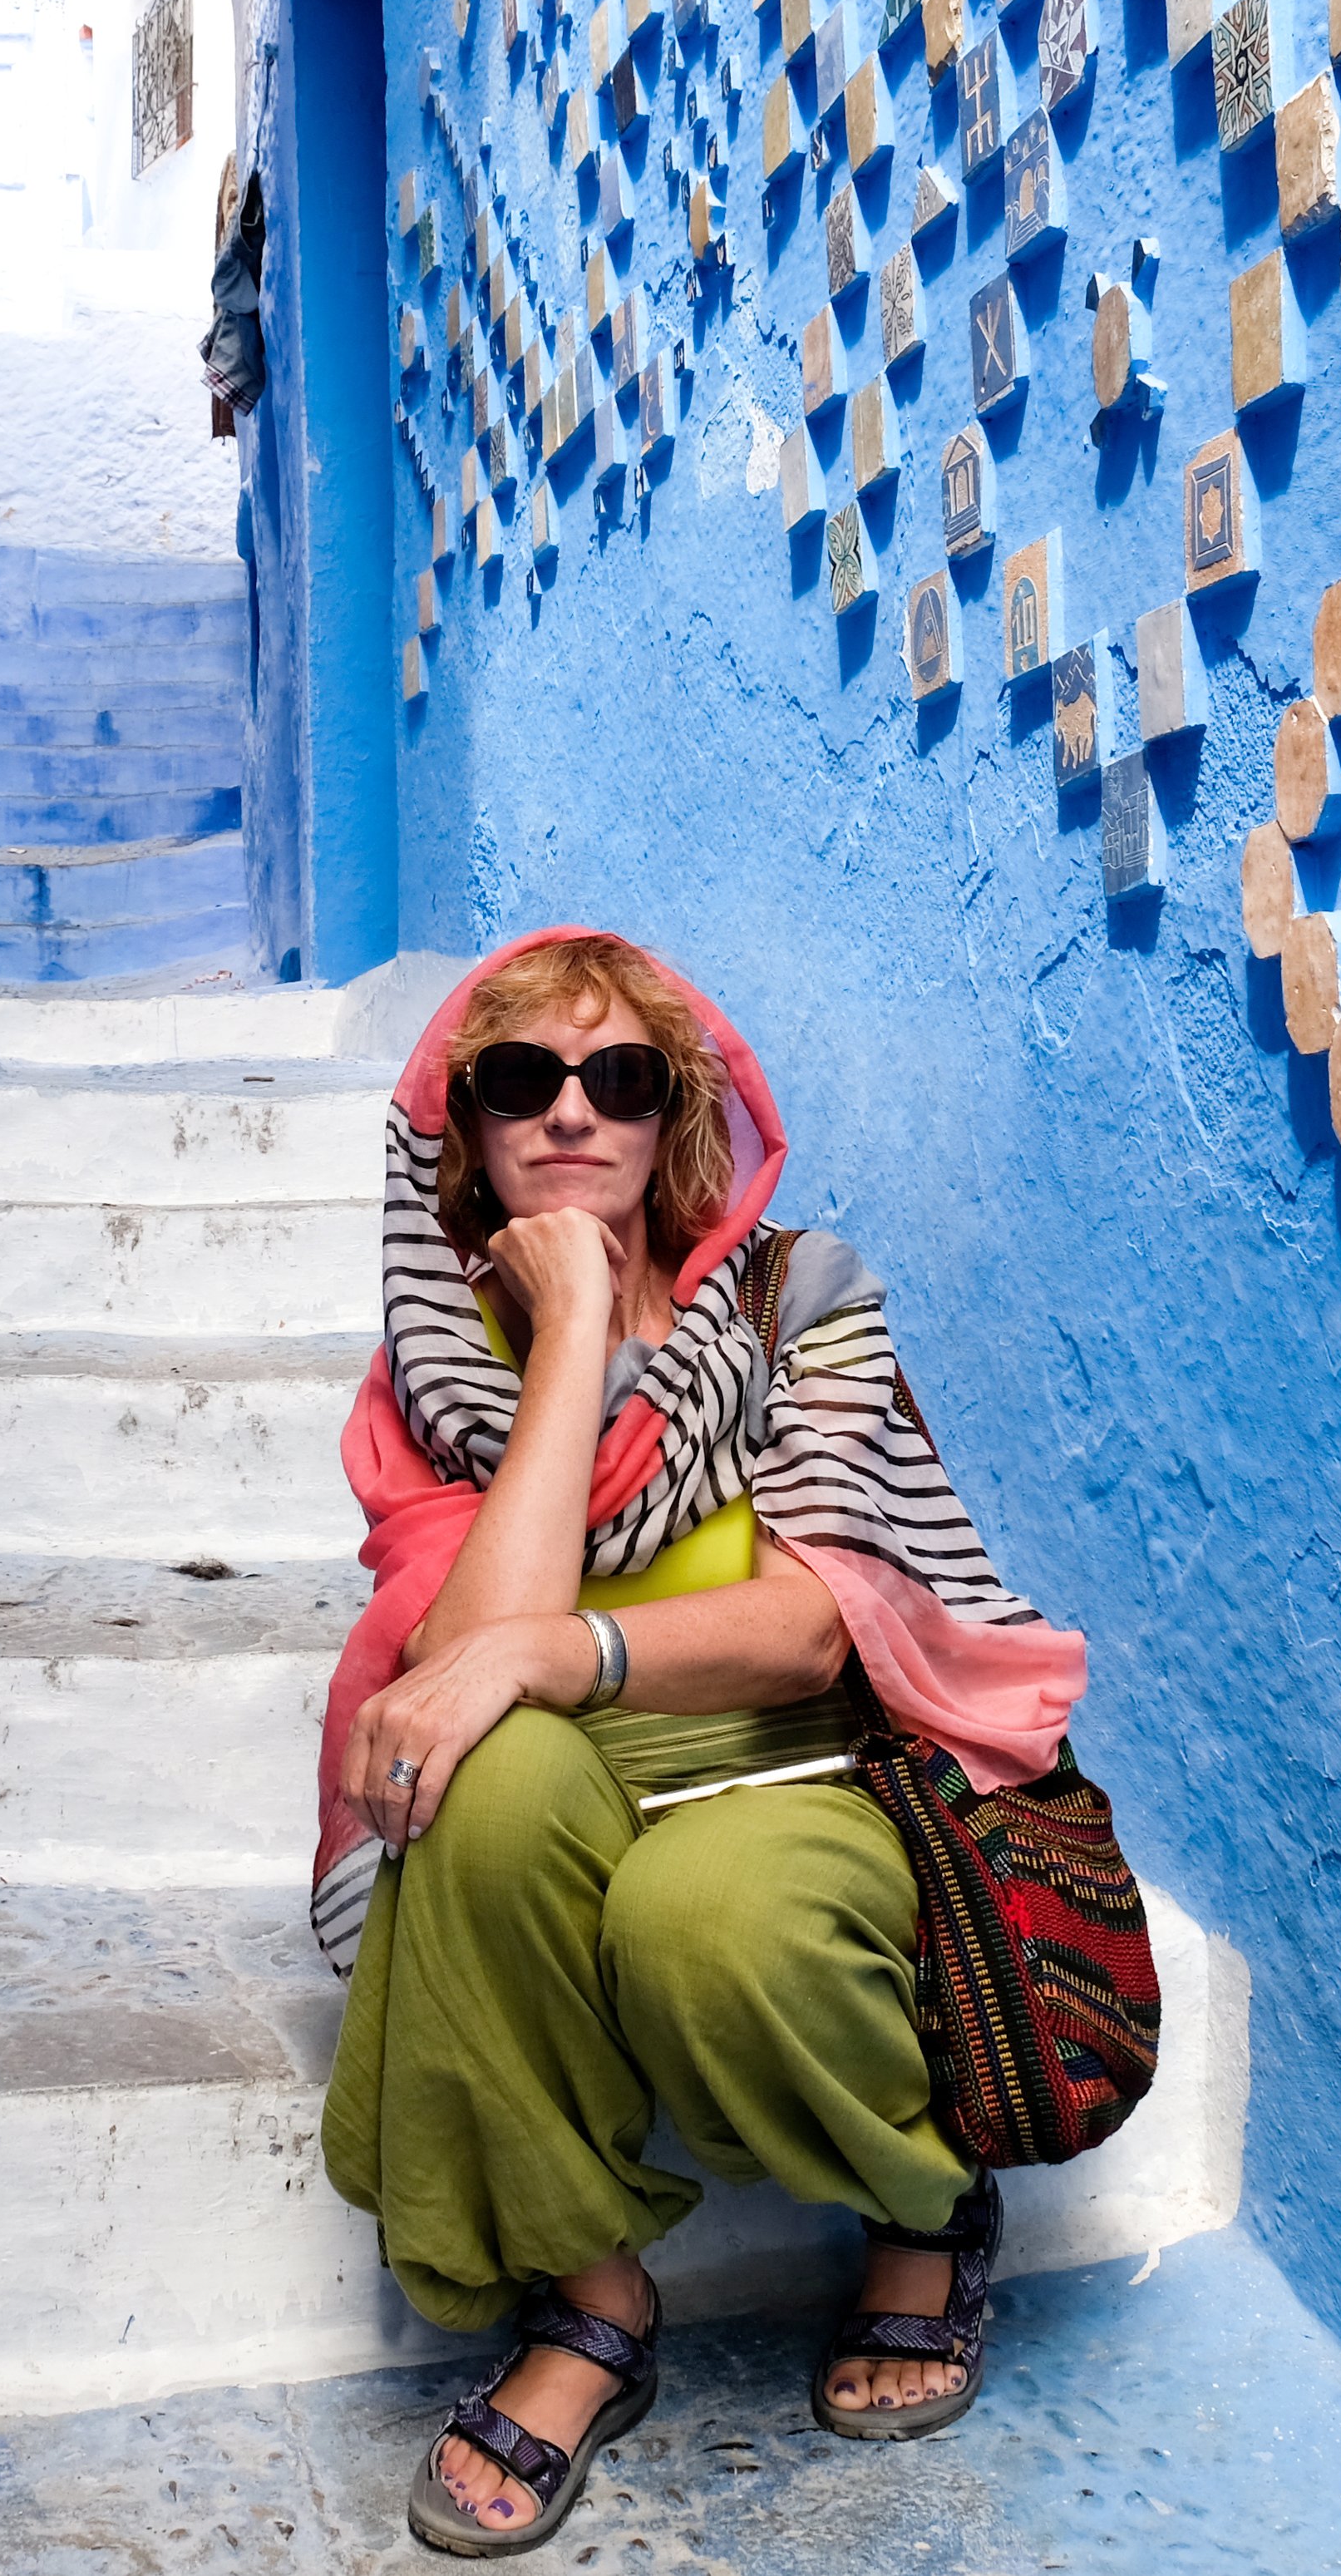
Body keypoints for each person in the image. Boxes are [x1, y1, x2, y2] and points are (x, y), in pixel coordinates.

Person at [310, 929, 1093, 2556]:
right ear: (459, 1129)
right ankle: (589, 2296)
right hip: (586, 1779)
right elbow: (453, 1683)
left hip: (799, 1766)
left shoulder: (802, 1298)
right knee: (477, 1779)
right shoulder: (443, 1370)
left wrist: (552, 1643)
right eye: (520, 1078)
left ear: (677, 1112)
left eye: (623, 1076)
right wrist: (574, 1333)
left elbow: (813, 1621)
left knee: (702, 1911)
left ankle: (919, 2199)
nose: (573, 1111)